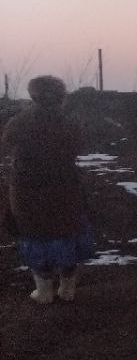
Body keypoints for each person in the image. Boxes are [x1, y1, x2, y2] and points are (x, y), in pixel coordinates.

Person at [2, 76, 93, 303]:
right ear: (61, 97)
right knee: (67, 233)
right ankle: (67, 288)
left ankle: (43, 291)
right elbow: (82, 147)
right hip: (65, 188)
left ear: (34, 95)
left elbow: (6, 143)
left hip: (28, 190)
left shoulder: (20, 121)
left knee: (35, 235)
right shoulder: (70, 123)